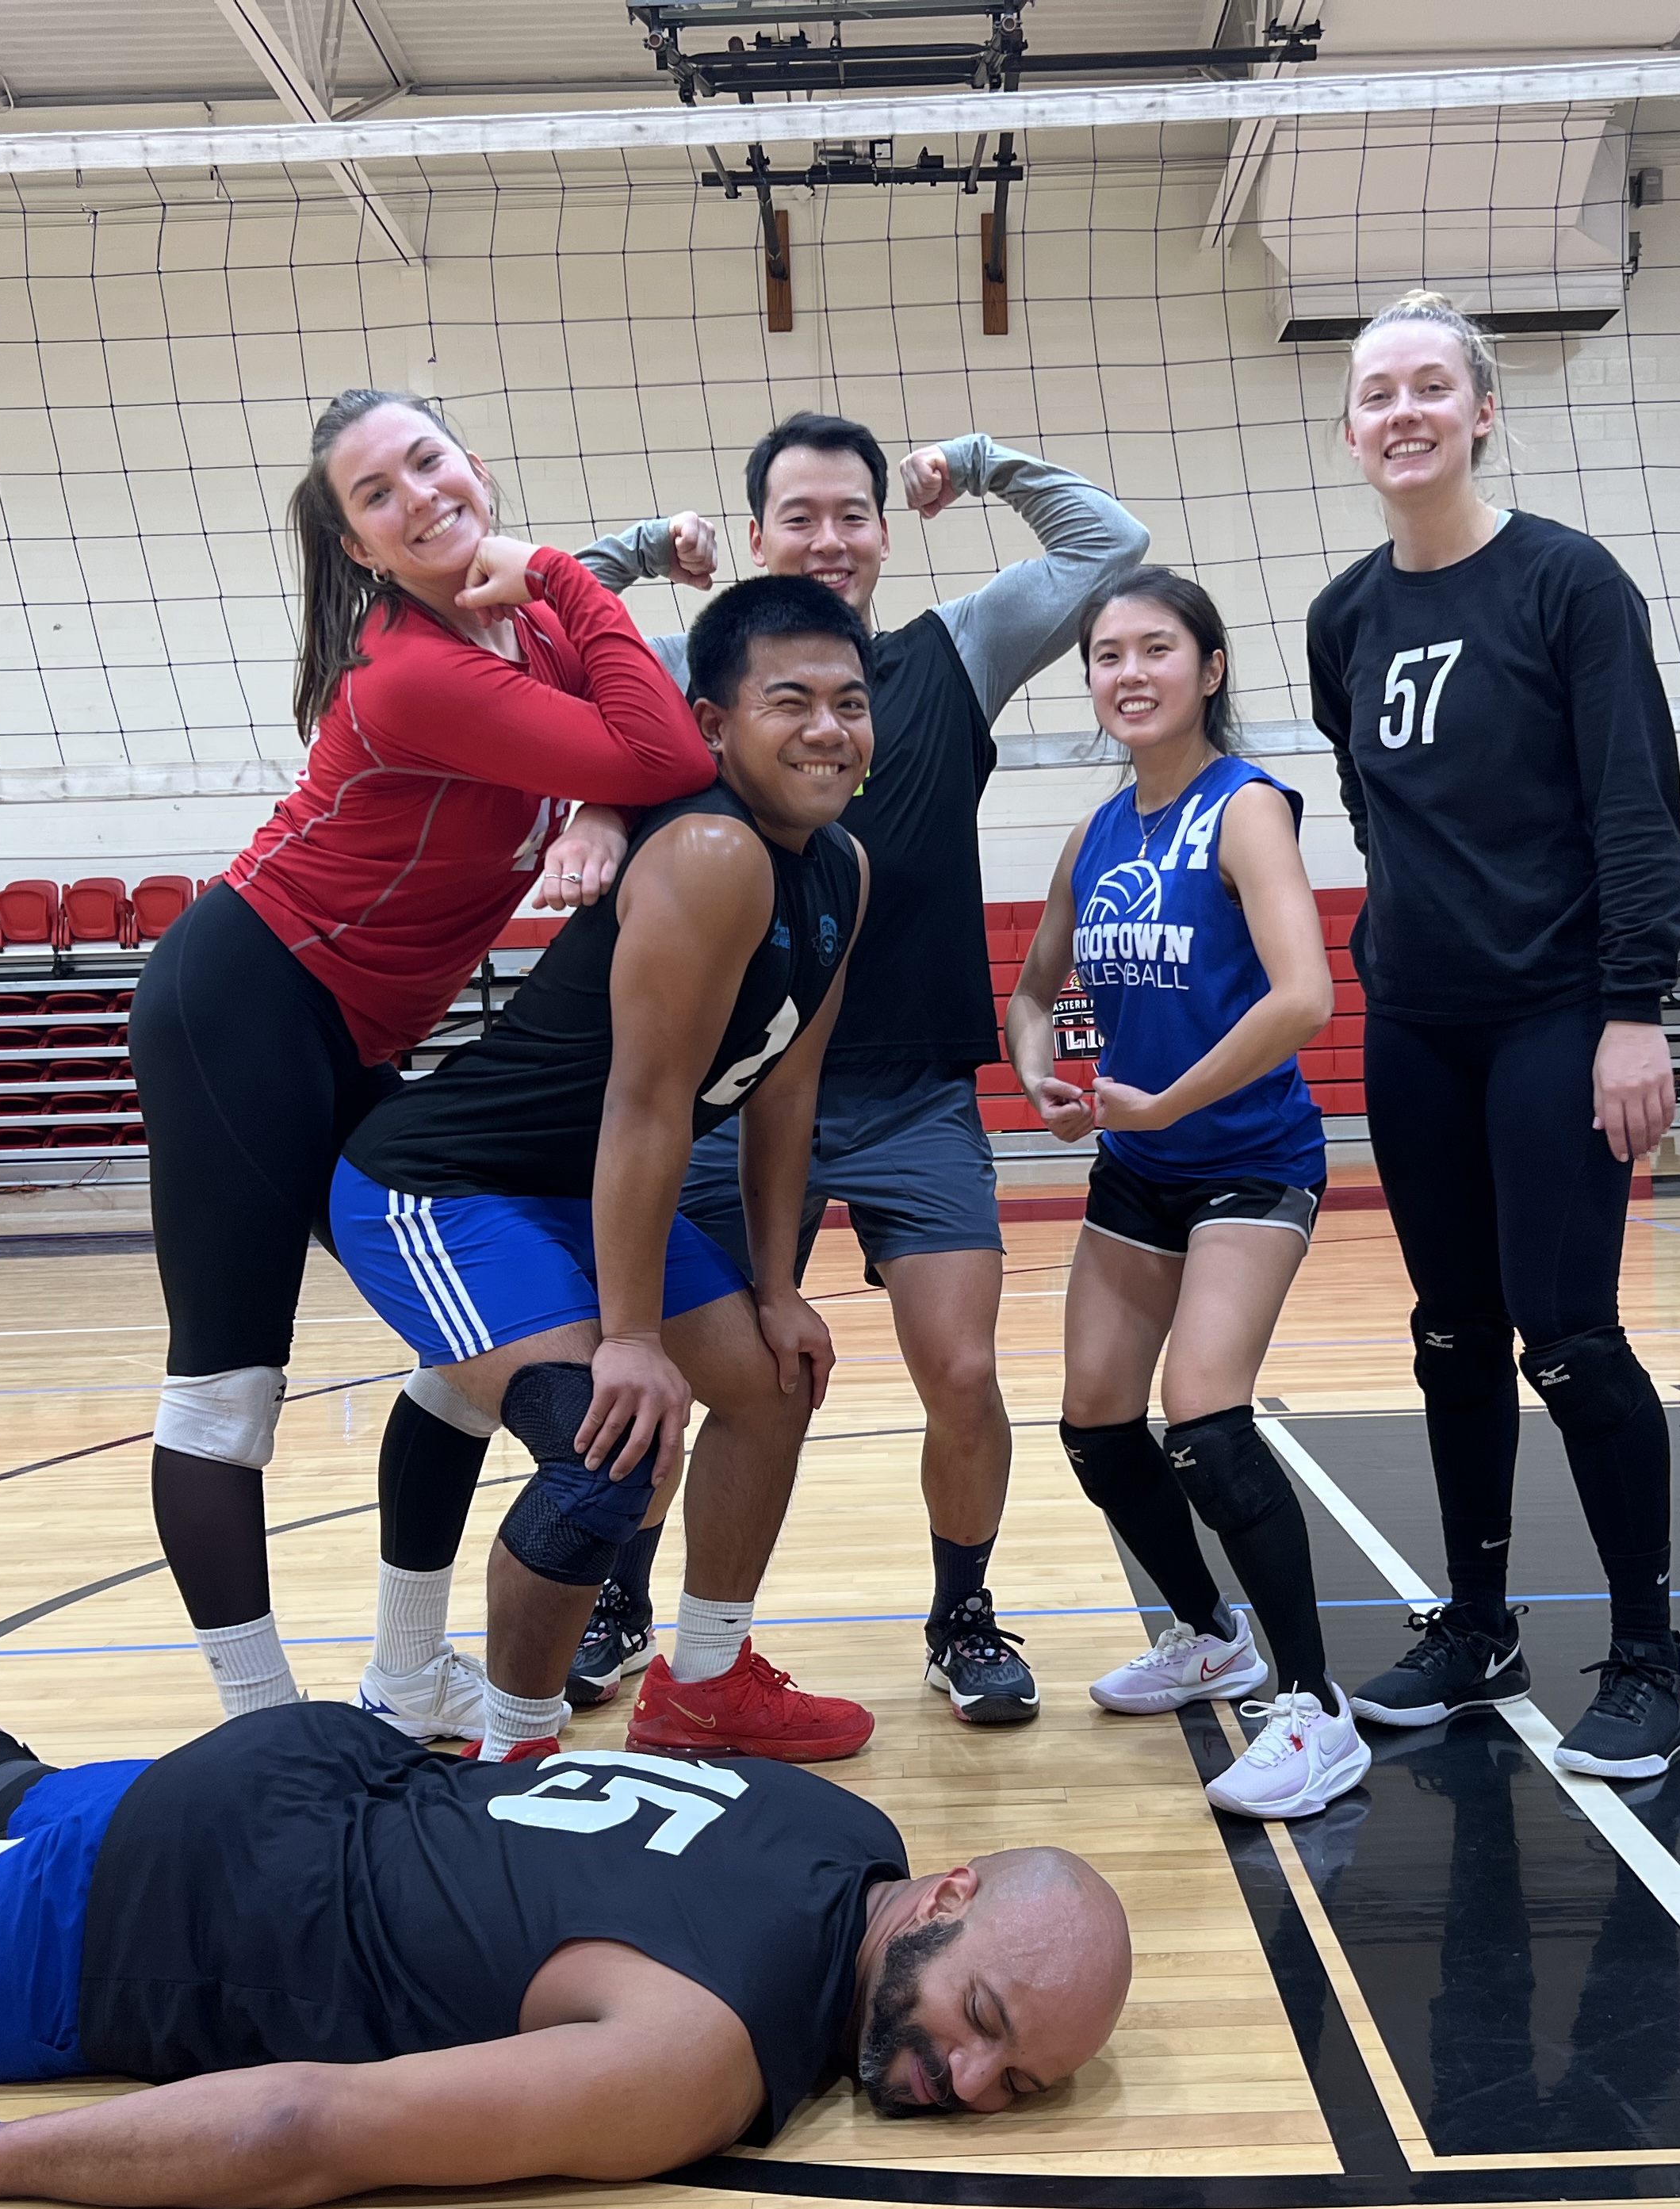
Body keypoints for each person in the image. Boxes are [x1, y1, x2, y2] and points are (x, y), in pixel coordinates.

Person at [0, 1621, 1131, 2205]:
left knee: (10, 1800)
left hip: (315, 1782)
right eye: (982, 2022)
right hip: (186, 1919)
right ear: (952, 1897)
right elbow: (306, 2127)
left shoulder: (841, 1823)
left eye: (1018, 2085)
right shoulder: (699, 2052)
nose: (970, 2082)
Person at [388, 414, 1143, 1732]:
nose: (829, 538)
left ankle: (960, 1617)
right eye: (800, 516)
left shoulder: (951, 654)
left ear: (886, 531)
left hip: (907, 1088)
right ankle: (622, 1609)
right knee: (675, 1378)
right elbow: (541, 624)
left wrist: (979, 465)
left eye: (853, 513)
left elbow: (1109, 546)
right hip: (728, 1096)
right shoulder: (705, 677)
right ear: (753, 538)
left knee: (961, 1372)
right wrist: (642, 552)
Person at [128, 389, 712, 1741]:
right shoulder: (408, 672)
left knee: (466, 1349)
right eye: (377, 495)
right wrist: (567, 582)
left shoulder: (525, 620)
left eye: (428, 462)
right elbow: (667, 746)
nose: (419, 497)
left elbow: (638, 741)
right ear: (361, 550)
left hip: (350, 1034)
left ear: (475, 466)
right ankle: (265, 1735)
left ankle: (404, 1679)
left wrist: (601, 805)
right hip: (242, 1005)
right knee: (227, 1390)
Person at [324, 576, 878, 1767]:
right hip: (444, 1186)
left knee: (775, 1382)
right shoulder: (712, 851)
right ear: (714, 726)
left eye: (850, 702)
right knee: (609, 1450)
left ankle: (707, 1685)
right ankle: (517, 1760)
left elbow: (787, 1091)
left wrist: (780, 1287)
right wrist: (630, 1338)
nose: (828, 730)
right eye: (790, 702)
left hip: (579, 1192)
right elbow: (645, 1107)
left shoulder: (842, 865)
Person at [1304, 291, 1680, 1778]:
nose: (1402, 412)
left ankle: (1652, 1659)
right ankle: (1478, 1626)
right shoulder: (1345, 618)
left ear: (1483, 413)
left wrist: (1633, 1012)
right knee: (1451, 1333)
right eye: (1377, 393)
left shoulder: (1567, 584)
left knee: (1569, 1337)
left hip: (1556, 1015)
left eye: (1430, 387)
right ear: (1350, 430)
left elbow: (1633, 808)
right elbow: (1374, 805)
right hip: (1417, 1021)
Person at [1005, 569, 1357, 1821]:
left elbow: (1304, 997)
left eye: (1157, 649)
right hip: (1140, 1169)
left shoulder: (1245, 807)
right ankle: (1210, 1637)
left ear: (1208, 670)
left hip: (1250, 1160)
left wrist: (1165, 1103)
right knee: (1097, 1426)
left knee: (1203, 1415)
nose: (1130, 673)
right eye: (1107, 655)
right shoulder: (1096, 832)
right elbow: (1032, 991)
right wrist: (1038, 1071)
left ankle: (1315, 1709)